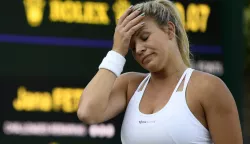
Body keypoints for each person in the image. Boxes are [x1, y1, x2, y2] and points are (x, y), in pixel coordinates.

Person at [77, 0, 243, 143]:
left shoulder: (208, 88)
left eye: (144, 37)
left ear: (169, 30)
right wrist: (117, 51)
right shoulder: (130, 86)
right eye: (132, 48)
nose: (139, 49)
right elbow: (87, 112)